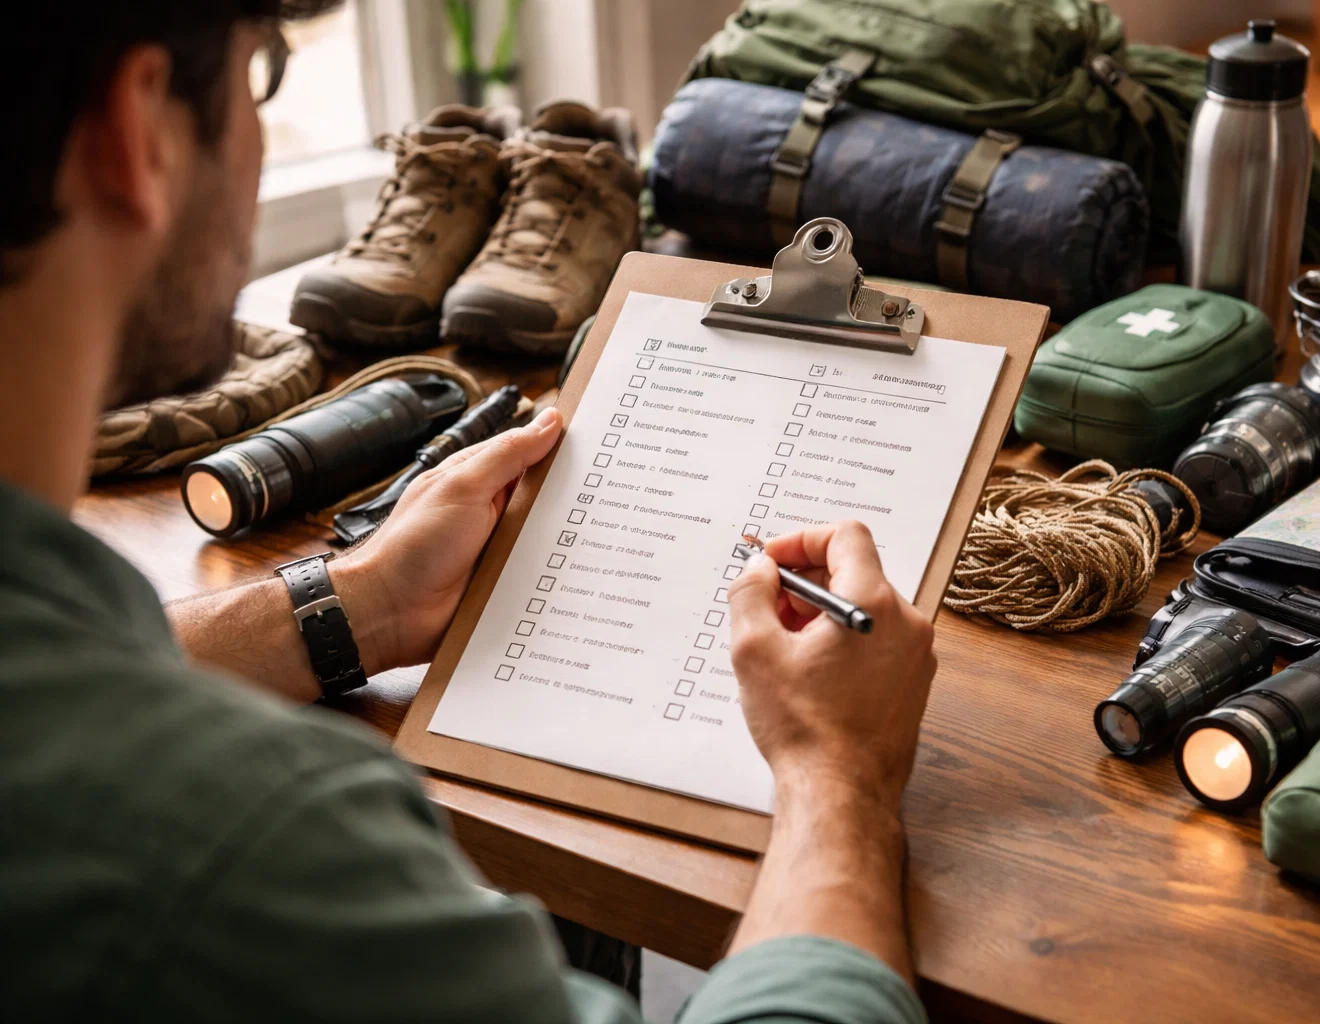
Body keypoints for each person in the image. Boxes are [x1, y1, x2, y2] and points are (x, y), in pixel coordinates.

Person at [0, 3, 940, 1021]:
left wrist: (354, 604)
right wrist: (836, 775)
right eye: (260, 69)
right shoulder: (256, 843)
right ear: (138, 132)